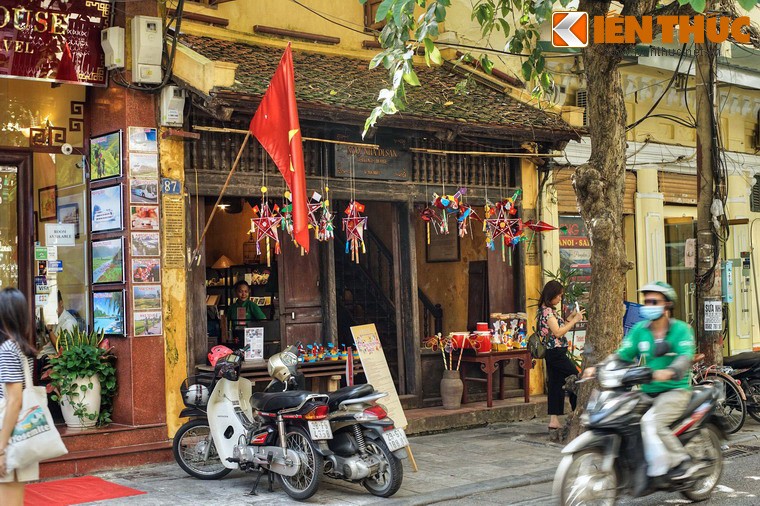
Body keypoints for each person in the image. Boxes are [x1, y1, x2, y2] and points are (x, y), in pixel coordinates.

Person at [584, 281, 696, 480]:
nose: (648, 306)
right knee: (624, 417)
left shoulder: (681, 330)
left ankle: (681, 461)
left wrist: (670, 371)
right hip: (646, 390)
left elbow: (684, 357)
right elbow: (622, 355)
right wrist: (599, 367)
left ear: (667, 304)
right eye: (646, 302)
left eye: (654, 301)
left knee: (651, 422)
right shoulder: (639, 330)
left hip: (675, 390)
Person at [0, 288, 38, 504]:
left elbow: (14, 400)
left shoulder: (7, 349)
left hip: (9, 435)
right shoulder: (22, 347)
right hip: (21, 433)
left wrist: (1, 449)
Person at [537, 280, 584, 432]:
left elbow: (559, 326)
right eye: (558, 296)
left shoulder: (546, 310)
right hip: (556, 353)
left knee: (556, 385)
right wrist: (575, 321)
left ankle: (554, 420)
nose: (559, 299)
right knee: (576, 378)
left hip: (553, 352)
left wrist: (571, 318)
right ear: (551, 295)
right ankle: (576, 412)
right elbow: (558, 332)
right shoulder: (548, 312)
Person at [227, 280, 266, 346]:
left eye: (246, 291)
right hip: (235, 336)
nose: (243, 294)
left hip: (251, 336)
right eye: (240, 292)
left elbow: (263, 320)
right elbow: (227, 323)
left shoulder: (252, 305)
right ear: (236, 292)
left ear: (249, 292)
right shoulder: (232, 307)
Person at [40, 290, 78, 358]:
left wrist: (49, 331)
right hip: (44, 354)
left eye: (53, 304)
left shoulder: (69, 322)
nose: (50, 308)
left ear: (61, 303)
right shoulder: (54, 318)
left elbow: (63, 350)